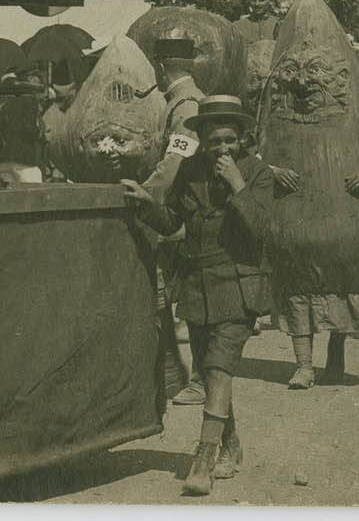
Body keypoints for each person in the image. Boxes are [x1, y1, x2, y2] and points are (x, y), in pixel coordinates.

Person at [121, 95, 275, 498]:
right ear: (202, 141)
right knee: (209, 371)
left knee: (220, 368)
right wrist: (145, 203)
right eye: (214, 142)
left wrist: (237, 184)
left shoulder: (258, 174)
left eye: (230, 140)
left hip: (238, 286)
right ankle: (231, 444)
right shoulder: (188, 172)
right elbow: (173, 222)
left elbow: (262, 230)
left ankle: (203, 460)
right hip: (197, 283)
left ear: (243, 139)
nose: (223, 149)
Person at [277, 152, 359, 390]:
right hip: (298, 217)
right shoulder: (281, 117)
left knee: (340, 290)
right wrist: (273, 171)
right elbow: (257, 160)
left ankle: (335, 354)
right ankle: (304, 366)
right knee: (297, 291)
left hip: (341, 221)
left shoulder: (352, 120)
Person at [146, 38, 207, 407]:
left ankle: (198, 380)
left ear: (162, 68)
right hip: (181, 209)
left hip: (183, 211)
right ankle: (176, 374)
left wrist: (145, 195)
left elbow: (174, 162)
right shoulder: (182, 104)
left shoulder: (186, 108)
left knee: (188, 298)